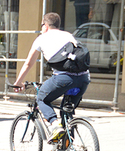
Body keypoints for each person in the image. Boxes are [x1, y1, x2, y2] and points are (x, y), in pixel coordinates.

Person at [13, 12, 90, 143]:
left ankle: (54, 124)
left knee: (41, 98)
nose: (41, 27)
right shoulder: (68, 35)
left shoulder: (41, 38)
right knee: (67, 110)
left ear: (46, 25)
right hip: (84, 79)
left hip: (64, 79)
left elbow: (28, 63)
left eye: (42, 25)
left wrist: (18, 82)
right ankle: (67, 147)